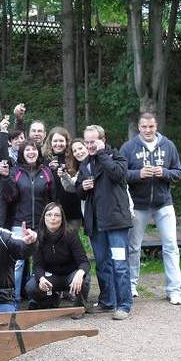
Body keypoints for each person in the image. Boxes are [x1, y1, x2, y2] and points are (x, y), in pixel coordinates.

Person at [120, 112, 181, 305]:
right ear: (139, 127)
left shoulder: (168, 146)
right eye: (144, 127)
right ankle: (131, 286)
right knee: (133, 247)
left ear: (156, 127)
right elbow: (119, 174)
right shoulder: (129, 147)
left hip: (163, 203)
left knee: (171, 246)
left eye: (151, 127)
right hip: (138, 204)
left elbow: (178, 172)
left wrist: (163, 172)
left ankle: (174, 290)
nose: (148, 130)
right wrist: (138, 173)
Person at [76, 125, 133, 320]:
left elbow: (118, 174)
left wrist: (101, 154)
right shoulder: (85, 164)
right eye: (87, 142)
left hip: (116, 221)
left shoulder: (117, 157)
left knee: (119, 264)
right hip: (96, 223)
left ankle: (124, 305)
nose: (90, 146)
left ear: (103, 140)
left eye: (93, 142)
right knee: (102, 264)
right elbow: (79, 191)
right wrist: (83, 186)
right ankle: (107, 301)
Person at [3, 139, 56, 307]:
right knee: (18, 263)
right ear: (22, 153)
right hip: (20, 223)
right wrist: (6, 179)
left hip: (43, 224)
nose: (31, 153)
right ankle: (14, 299)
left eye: (34, 149)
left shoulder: (47, 172)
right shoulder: (15, 172)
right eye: (27, 150)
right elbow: (9, 198)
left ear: (38, 152)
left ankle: (41, 297)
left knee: (42, 262)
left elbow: (53, 199)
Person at [25, 203, 91, 319]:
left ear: (62, 218)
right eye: (49, 215)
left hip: (70, 275)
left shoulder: (71, 234)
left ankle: (80, 307)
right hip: (51, 277)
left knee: (85, 278)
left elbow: (84, 261)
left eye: (57, 215)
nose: (53, 218)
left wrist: (80, 273)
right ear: (44, 217)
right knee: (31, 286)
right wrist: (41, 278)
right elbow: (37, 265)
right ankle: (51, 300)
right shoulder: (38, 236)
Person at [42, 127, 83, 232]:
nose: (58, 144)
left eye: (61, 141)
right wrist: (49, 170)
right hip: (52, 211)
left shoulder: (74, 158)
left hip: (72, 209)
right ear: (50, 142)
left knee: (72, 241)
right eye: (55, 141)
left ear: (67, 142)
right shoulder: (44, 160)